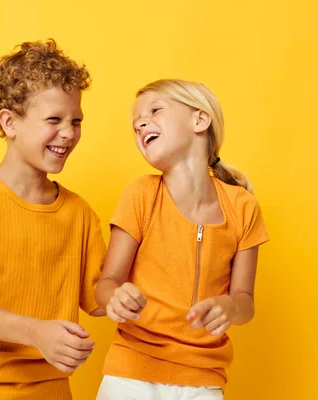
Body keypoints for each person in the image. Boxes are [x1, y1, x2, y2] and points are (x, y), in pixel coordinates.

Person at [0, 39, 106, 400]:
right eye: (54, 120)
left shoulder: (80, 214)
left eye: (76, 121)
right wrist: (38, 334)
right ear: (9, 122)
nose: (69, 133)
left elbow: (101, 298)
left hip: (51, 391)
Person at [95, 79, 269, 399]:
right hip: (132, 372)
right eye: (136, 125)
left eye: (155, 111)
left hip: (203, 377)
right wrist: (115, 299)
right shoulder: (141, 194)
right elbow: (107, 283)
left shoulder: (243, 208)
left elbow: (245, 301)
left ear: (199, 120)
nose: (141, 124)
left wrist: (229, 306)